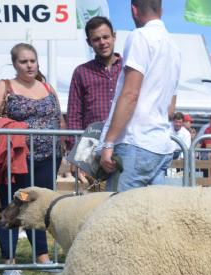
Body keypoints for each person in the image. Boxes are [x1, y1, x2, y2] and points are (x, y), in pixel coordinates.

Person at [0, 43, 64, 275]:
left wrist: (62, 151)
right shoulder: (3, 87)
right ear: (14, 64)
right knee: (14, 206)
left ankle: (43, 257)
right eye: (23, 61)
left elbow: (58, 119)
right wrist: (12, 127)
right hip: (15, 160)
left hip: (47, 159)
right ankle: (9, 263)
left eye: (32, 61)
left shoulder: (48, 88)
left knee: (39, 207)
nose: (29, 65)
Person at [98, 0, 180, 192]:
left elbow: (130, 94)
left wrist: (108, 142)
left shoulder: (140, 36)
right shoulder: (174, 48)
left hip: (135, 143)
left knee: (118, 215)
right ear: (162, 10)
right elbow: (170, 108)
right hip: (160, 145)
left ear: (134, 10)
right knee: (152, 218)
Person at [66, 16, 122, 139]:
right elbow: (74, 114)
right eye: (96, 39)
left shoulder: (128, 68)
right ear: (88, 42)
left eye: (106, 37)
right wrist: (74, 145)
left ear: (114, 36)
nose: (102, 42)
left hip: (126, 141)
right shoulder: (81, 72)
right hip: (93, 142)